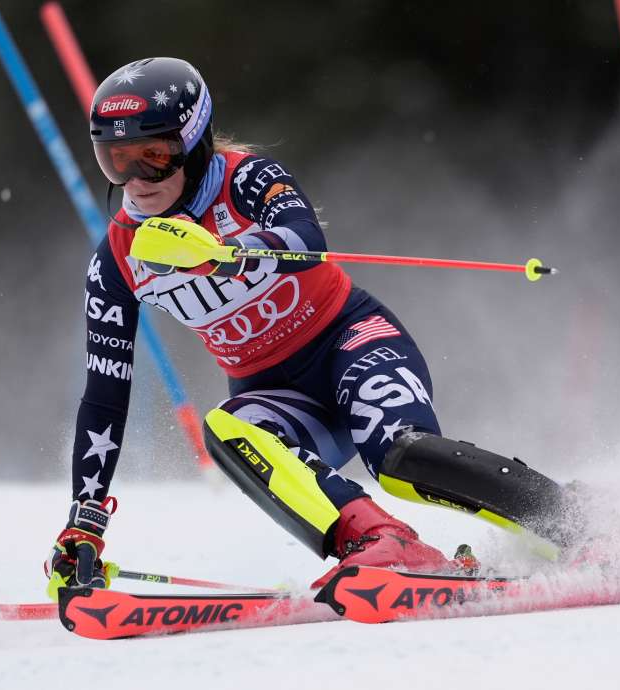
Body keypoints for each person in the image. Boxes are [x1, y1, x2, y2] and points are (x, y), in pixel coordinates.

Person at [46, 57, 572, 598]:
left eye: (154, 158)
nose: (136, 182)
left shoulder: (247, 178)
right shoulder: (116, 259)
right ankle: (382, 542)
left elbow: (303, 236)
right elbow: (106, 397)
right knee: (229, 430)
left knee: (397, 458)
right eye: (116, 161)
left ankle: (569, 520)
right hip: (275, 395)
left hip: (349, 341)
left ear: (196, 143)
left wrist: (232, 255)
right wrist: (85, 522)